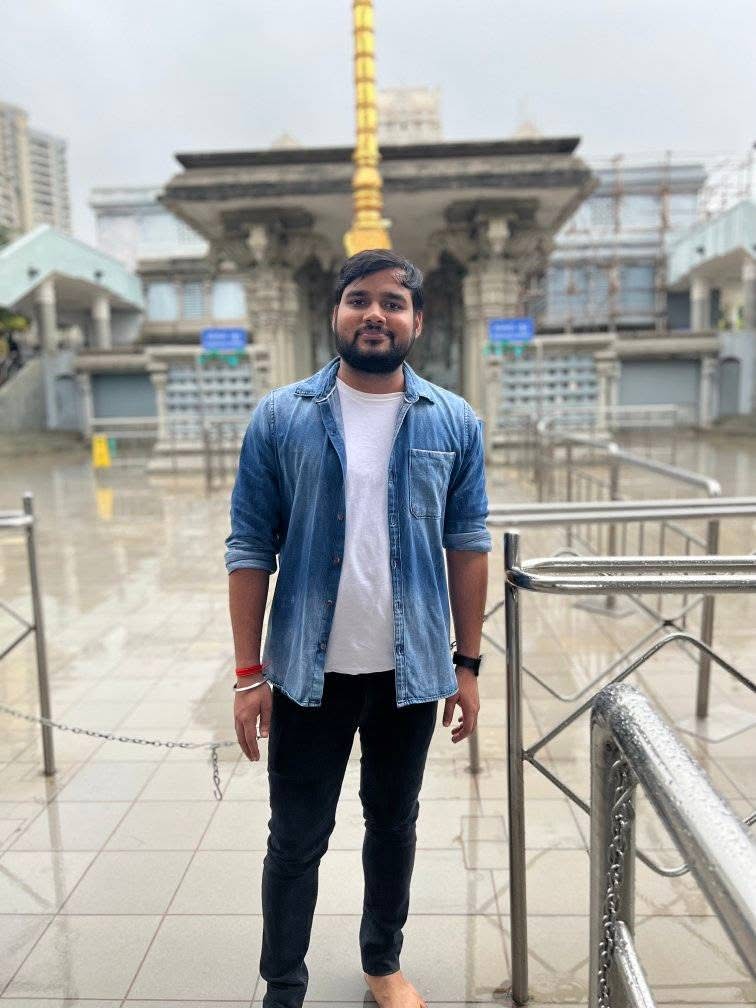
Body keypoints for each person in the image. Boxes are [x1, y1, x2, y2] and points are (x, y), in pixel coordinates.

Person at [225, 249, 491, 1008]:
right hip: (307, 673)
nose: (375, 314)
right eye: (359, 300)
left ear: (417, 321)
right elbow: (249, 547)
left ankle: (382, 963)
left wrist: (468, 665)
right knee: (295, 838)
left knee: (394, 824)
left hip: (410, 673)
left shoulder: (453, 420)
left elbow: (468, 543)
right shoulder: (282, 417)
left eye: (393, 302)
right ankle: (284, 983)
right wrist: (248, 675)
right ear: (336, 313)